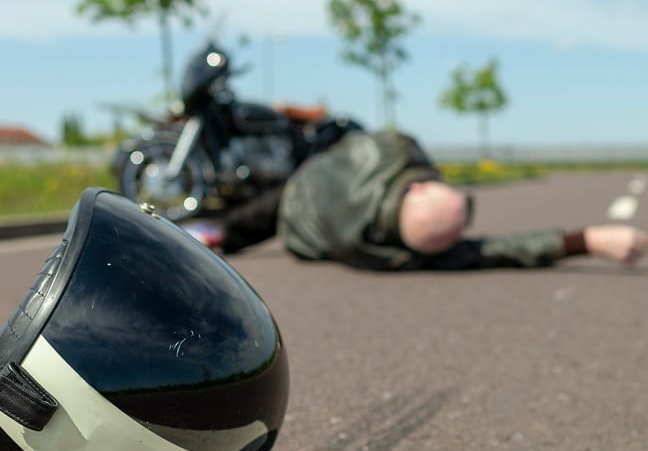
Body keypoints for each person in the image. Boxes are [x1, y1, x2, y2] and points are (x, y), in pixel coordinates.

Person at [183, 127, 647, 270]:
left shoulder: (390, 148)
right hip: (297, 233)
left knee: (235, 218)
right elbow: (502, 251)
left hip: (295, 191)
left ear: (418, 185)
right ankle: (207, 233)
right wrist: (585, 239)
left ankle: (203, 230)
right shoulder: (393, 256)